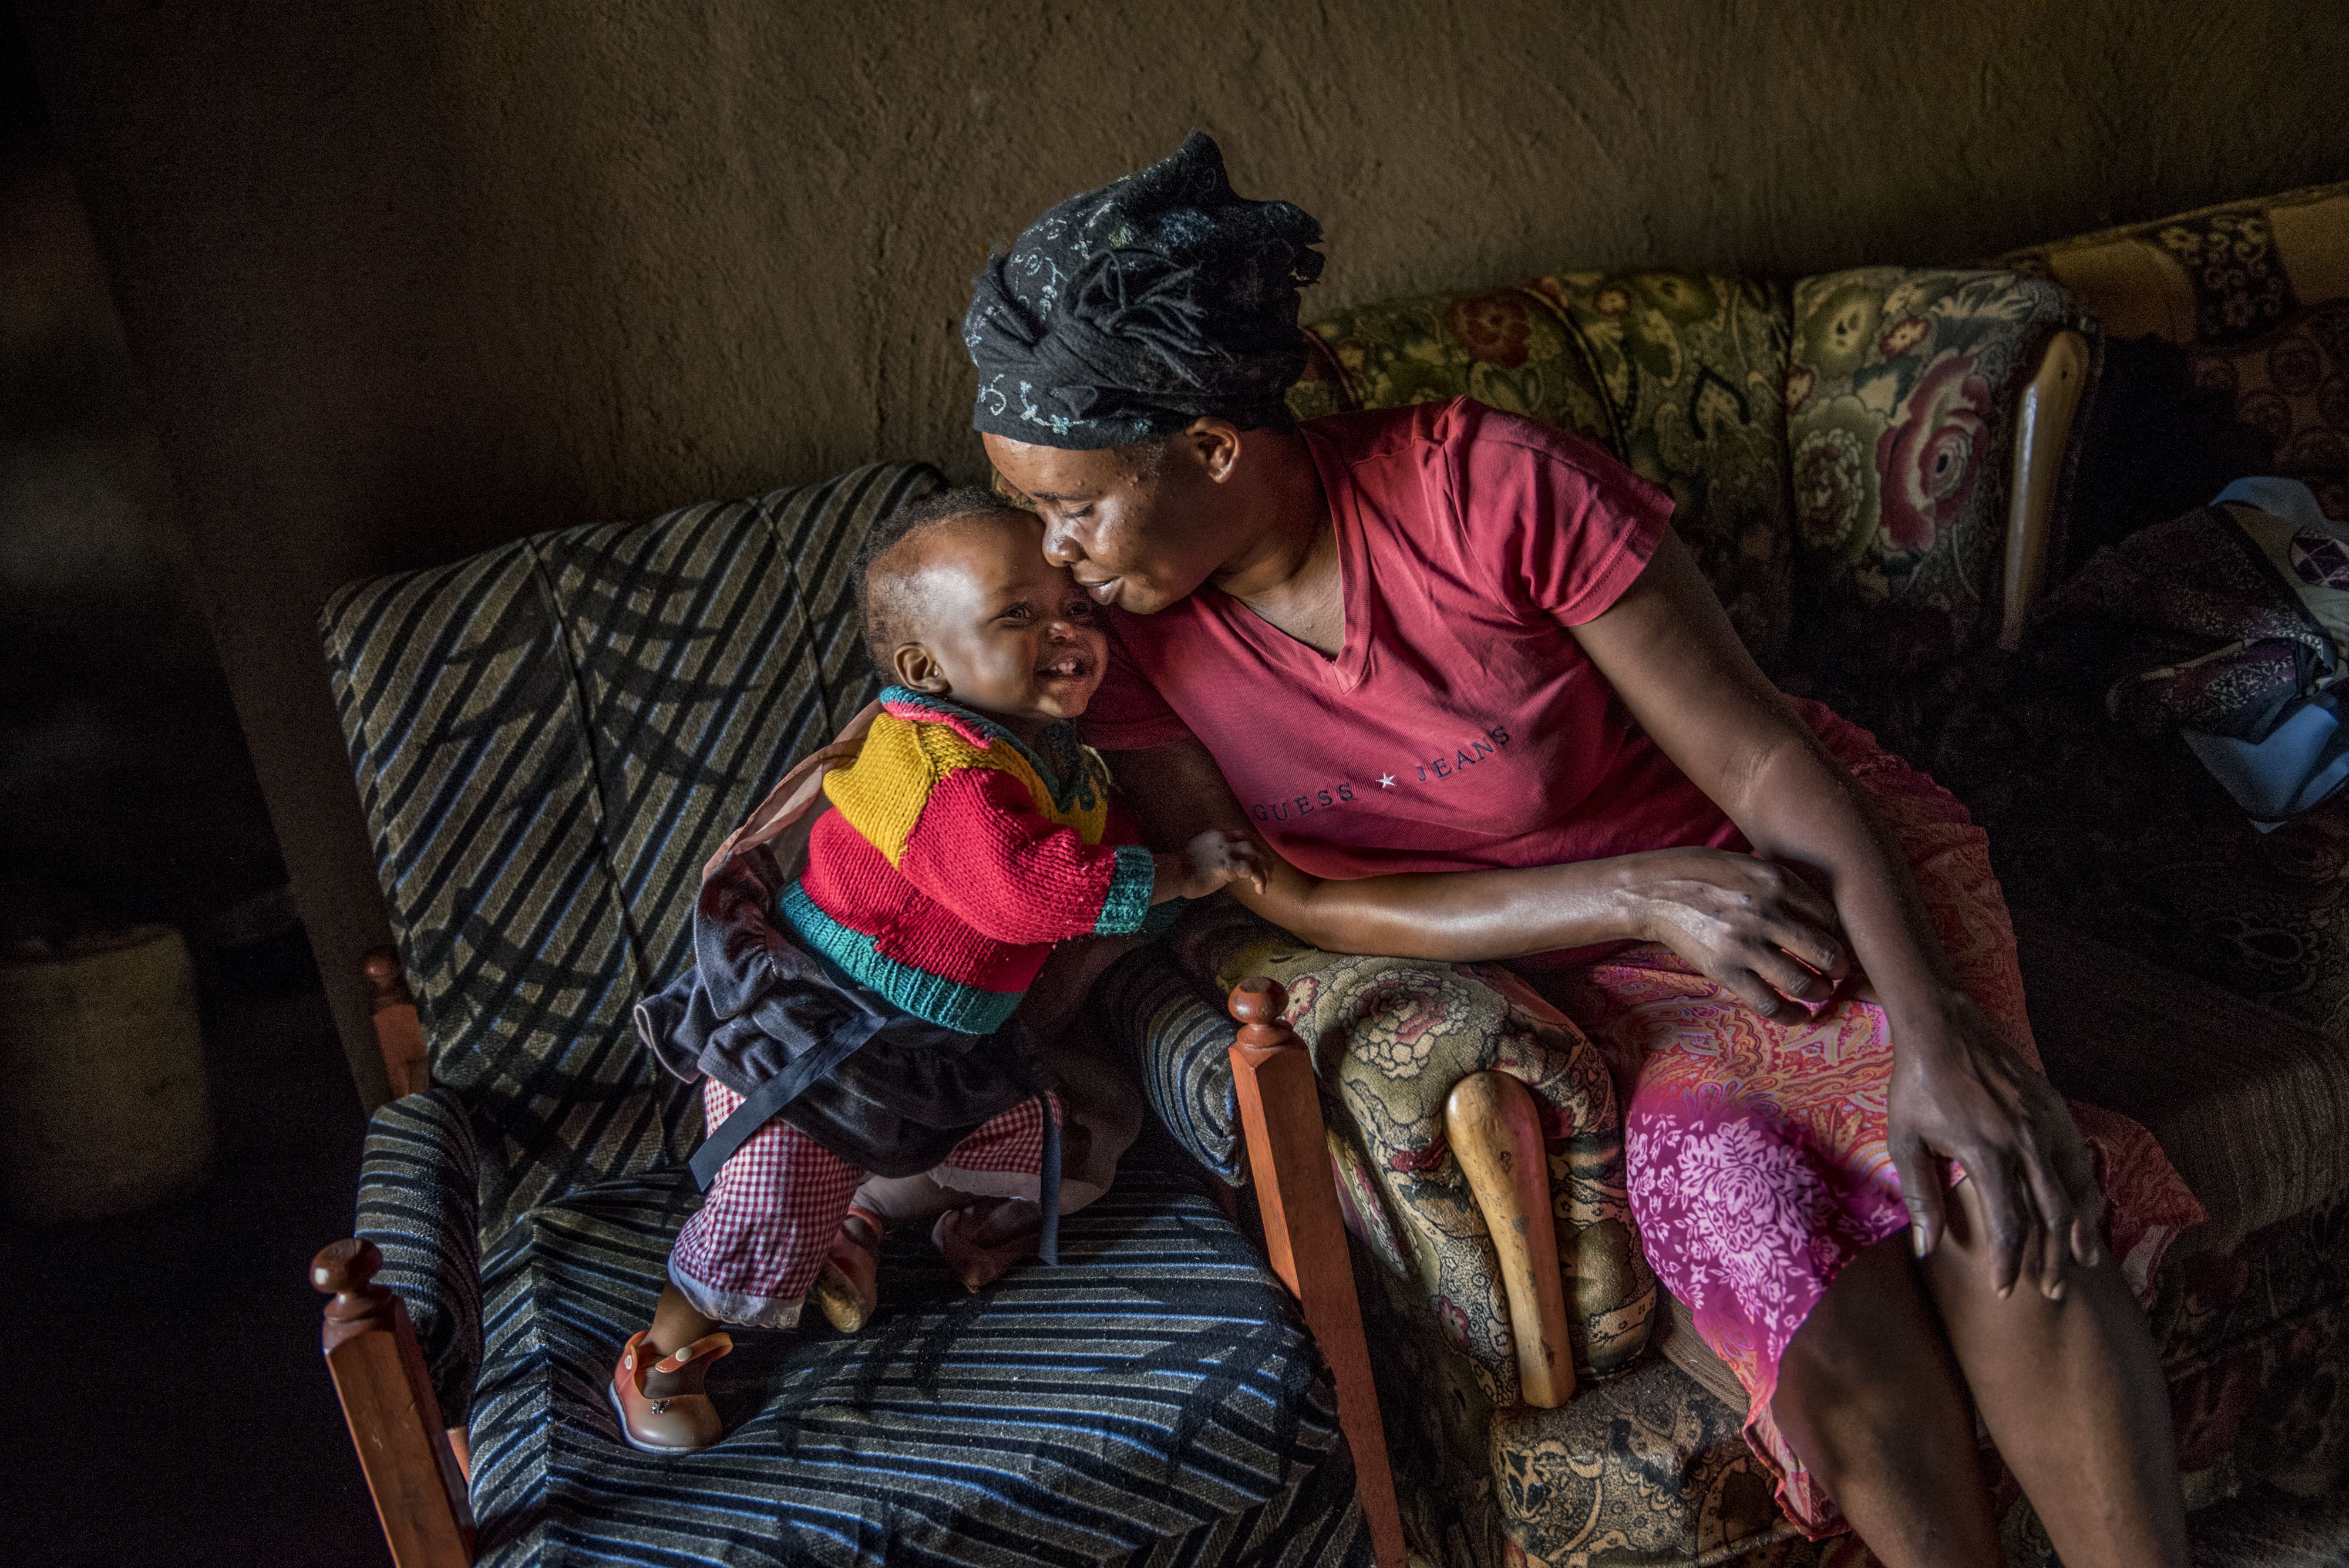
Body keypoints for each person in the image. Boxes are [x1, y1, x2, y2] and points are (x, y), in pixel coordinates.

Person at [966, 133, 2205, 1567]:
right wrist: (1616, 895)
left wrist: (1932, 1031)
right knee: (1744, 1208)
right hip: (1585, 974)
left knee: (1982, 1174)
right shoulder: (1121, 648)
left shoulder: (1486, 490)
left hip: (1775, 893)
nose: (1054, 557)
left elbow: (1758, 759)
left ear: (1209, 447)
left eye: (1072, 507)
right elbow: (1287, 897)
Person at [610, 489, 1264, 1453]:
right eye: (1019, 615)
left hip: (931, 1048)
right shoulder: (932, 765)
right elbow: (1028, 895)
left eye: (1076, 608)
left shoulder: (1055, 761)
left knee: (1064, 1142)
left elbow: (1101, 868)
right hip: (819, 1040)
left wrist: (1180, 892)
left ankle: (874, 1227)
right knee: (764, 1209)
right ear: (927, 667)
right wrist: (1183, 869)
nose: (1066, 631)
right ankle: (663, 1361)